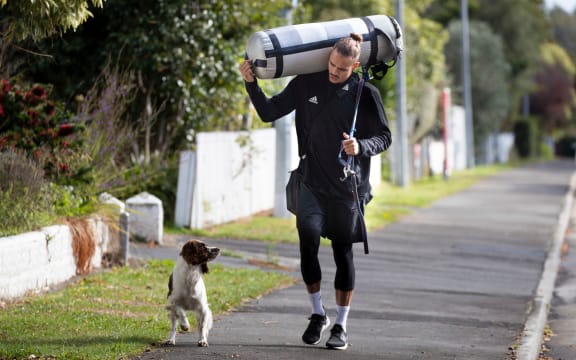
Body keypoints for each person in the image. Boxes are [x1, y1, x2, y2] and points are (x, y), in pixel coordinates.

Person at [239, 32, 392, 350]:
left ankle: (341, 325)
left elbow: (384, 137)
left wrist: (360, 146)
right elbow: (269, 112)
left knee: (342, 253)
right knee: (307, 237)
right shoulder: (306, 83)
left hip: (347, 186)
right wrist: (251, 84)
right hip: (310, 180)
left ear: (355, 66)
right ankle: (317, 313)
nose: (334, 73)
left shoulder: (365, 93)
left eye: (342, 69)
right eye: (332, 66)